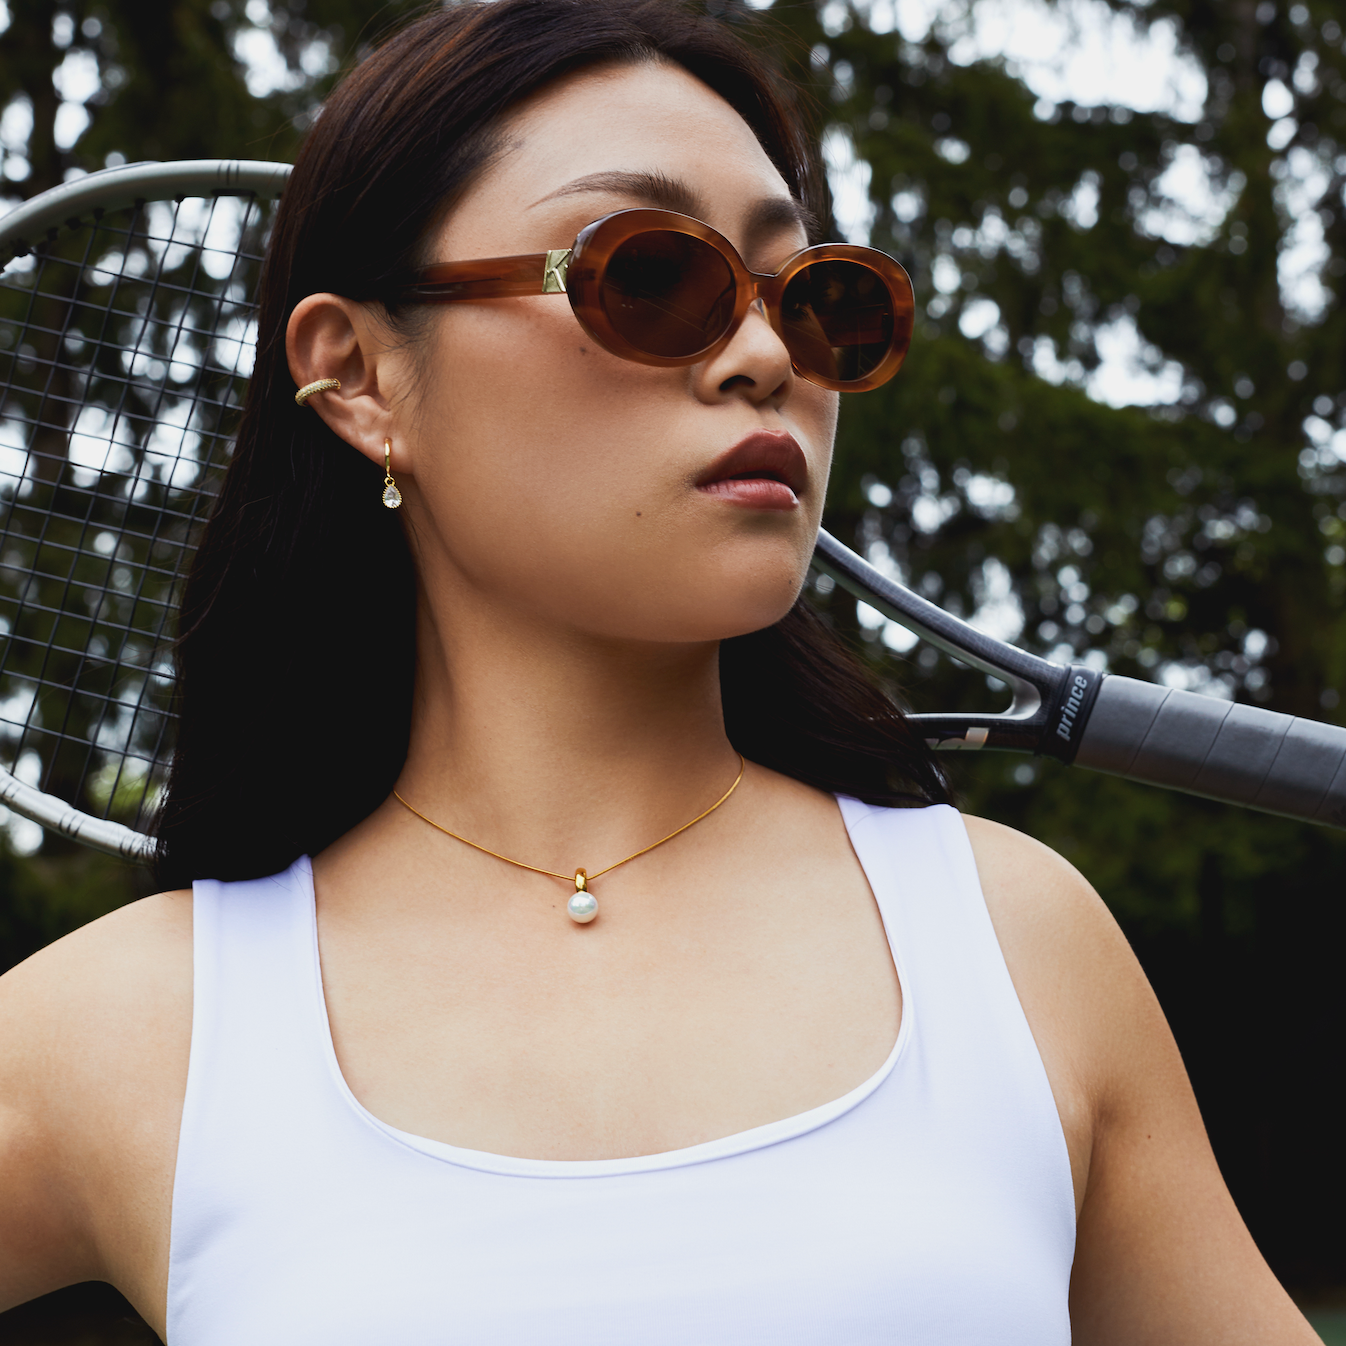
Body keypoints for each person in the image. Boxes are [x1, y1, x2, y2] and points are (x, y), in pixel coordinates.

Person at [0, 2, 1321, 1341]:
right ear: (358, 378)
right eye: (648, 277)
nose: (764, 356)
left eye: (818, 299)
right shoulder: (130, 1029)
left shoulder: (1012, 941)